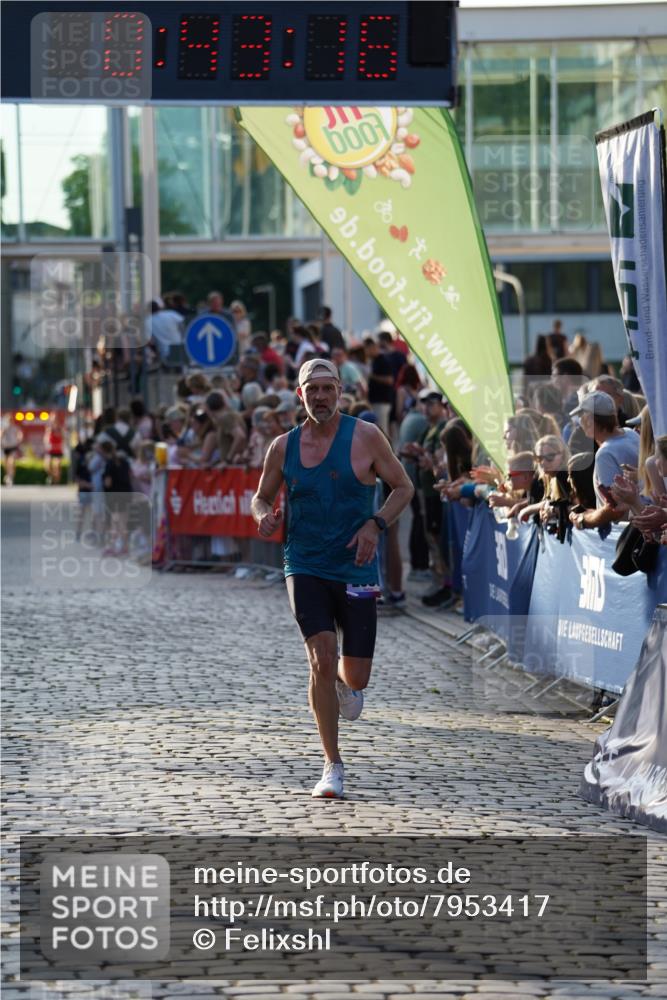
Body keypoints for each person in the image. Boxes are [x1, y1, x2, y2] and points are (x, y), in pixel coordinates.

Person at [251, 358, 414, 799]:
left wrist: (375, 525)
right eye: (312, 389)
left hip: (356, 567)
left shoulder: (365, 436)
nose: (320, 396)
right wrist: (265, 517)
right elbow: (261, 497)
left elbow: (403, 487)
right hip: (303, 563)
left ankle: (346, 684)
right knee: (321, 659)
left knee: (355, 677)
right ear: (299, 395)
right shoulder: (283, 447)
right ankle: (332, 765)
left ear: (340, 390)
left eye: (328, 388)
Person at [569, 390, 639, 509]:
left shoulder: (605, 454)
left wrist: (584, 520)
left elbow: (614, 508)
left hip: (623, 526)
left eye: (581, 416)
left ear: (590, 420)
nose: (580, 421)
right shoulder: (631, 433)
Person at [2, 416, 22, 486]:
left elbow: (19, 434)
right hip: (5, 447)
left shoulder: (15, 428)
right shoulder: (3, 428)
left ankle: (11, 477)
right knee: (6, 463)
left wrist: (19, 438)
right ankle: (7, 475)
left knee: (12, 462)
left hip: (13, 446)